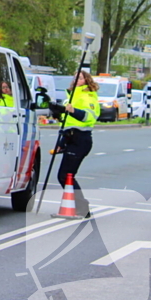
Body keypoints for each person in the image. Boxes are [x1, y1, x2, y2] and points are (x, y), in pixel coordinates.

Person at [48, 70, 98, 217]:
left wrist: (74, 110)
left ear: (87, 80)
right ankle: (79, 207)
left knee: (66, 175)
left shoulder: (88, 96)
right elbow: (67, 123)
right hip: (70, 138)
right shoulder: (71, 96)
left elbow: (89, 117)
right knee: (65, 175)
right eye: (75, 77)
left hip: (81, 139)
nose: (77, 79)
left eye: (81, 78)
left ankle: (82, 207)